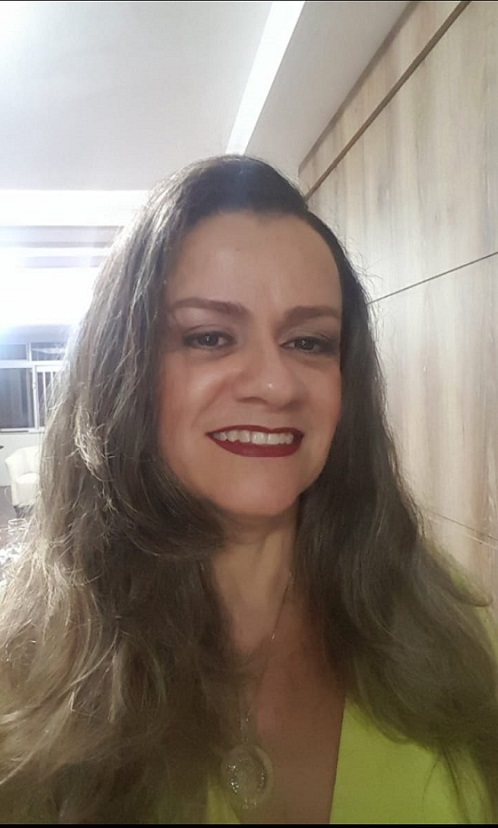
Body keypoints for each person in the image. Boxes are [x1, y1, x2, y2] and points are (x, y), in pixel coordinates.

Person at [0, 155, 496, 824]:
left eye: (309, 342)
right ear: (124, 373)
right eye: (209, 336)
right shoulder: (23, 681)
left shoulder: (441, 625)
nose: (274, 383)